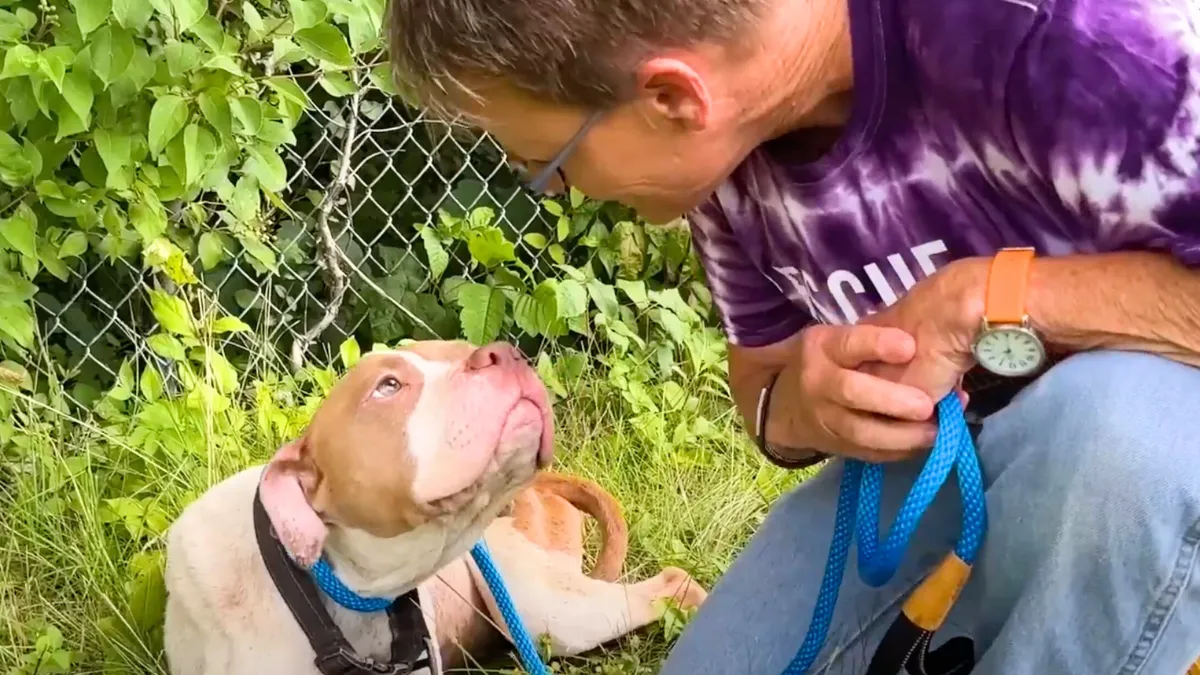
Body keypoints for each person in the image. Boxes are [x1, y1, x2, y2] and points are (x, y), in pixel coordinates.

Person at [383, 0, 1200, 672]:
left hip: (1136, 469)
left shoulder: (1073, 41)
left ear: (672, 98)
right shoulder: (727, 158)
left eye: (549, 159)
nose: (559, 191)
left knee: (1122, 432)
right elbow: (762, 380)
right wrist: (802, 403)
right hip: (960, 466)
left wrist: (988, 295)